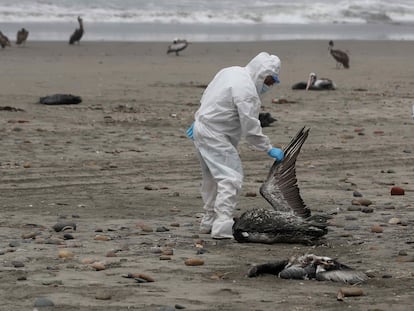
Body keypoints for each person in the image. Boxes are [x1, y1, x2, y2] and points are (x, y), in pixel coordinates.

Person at [186, 52, 284, 239]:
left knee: (211, 177)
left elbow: (209, 94)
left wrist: (198, 118)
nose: (268, 86)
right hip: (216, 135)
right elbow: (250, 127)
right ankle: (222, 226)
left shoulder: (230, 71)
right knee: (230, 177)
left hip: (203, 129)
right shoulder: (247, 92)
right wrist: (268, 147)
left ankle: (208, 220)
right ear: (261, 74)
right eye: (269, 81)